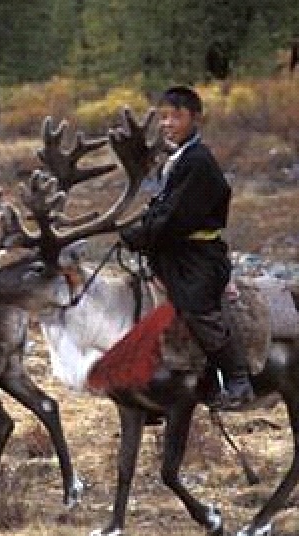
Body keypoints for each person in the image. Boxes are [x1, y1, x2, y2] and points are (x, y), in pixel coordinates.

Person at [119, 85, 254, 410]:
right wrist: (139, 229)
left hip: (199, 257)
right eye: (163, 117)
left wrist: (143, 234)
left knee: (194, 306)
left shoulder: (198, 161)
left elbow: (176, 216)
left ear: (195, 118)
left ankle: (237, 379)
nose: (168, 124)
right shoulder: (179, 159)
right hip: (177, 252)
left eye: (176, 117)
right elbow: (162, 206)